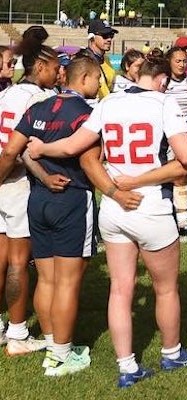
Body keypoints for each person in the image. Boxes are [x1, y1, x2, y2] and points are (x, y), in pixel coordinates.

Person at [27, 54, 187, 388]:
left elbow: (72, 147)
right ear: (163, 80)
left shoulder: (108, 103)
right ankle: (171, 352)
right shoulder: (164, 103)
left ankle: (126, 366)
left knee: (120, 290)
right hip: (150, 203)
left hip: (114, 204)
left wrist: (41, 149)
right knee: (165, 288)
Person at [0, 55, 101, 376]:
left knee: (46, 278)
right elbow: (89, 162)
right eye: (97, 79)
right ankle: (60, 355)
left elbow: (15, 151)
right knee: (68, 282)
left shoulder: (37, 107)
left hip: (38, 199)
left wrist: (42, 175)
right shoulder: (88, 113)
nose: (99, 85)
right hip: (71, 197)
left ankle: (49, 338)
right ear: (83, 79)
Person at [0, 26, 59, 357]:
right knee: (20, 262)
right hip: (19, 183)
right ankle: (19, 332)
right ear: (39, 67)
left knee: (2, 257)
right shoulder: (40, 98)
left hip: (2, 178)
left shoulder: (6, 93)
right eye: (53, 68)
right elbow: (25, 150)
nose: (58, 72)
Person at [164, 46, 187, 237]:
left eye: (184, 61)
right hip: (165, 133)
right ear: (169, 62)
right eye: (177, 61)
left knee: (180, 175)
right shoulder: (162, 82)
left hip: (183, 133)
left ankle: (182, 221)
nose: (181, 64)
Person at [85, 19, 118, 101]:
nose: (109, 39)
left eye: (111, 35)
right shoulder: (84, 61)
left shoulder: (106, 59)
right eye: (105, 35)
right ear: (92, 37)